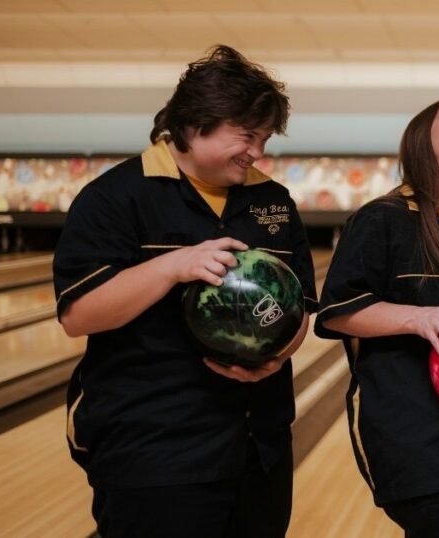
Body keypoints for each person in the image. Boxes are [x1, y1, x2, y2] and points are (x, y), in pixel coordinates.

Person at [53, 45, 316, 538]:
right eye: (247, 136)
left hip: (259, 449)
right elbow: (78, 315)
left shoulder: (272, 201)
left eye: (264, 139)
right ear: (196, 125)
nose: (258, 152)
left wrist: (277, 355)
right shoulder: (116, 196)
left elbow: (300, 308)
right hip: (153, 451)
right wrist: (173, 266)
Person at [314, 98, 439, 537]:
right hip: (412, 432)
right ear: (420, 138)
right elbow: (337, 311)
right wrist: (416, 318)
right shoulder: (382, 218)